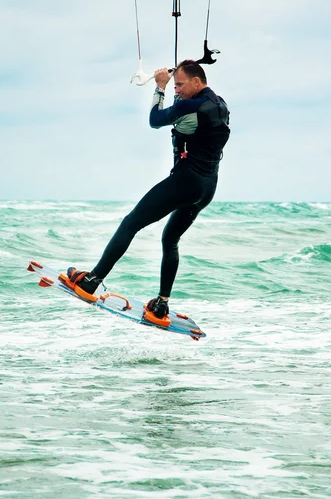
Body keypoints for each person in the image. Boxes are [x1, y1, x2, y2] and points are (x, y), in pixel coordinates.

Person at [64, 60, 230, 322]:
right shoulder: (219, 104)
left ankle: (92, 280)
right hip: (207, 188)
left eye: (180, 85)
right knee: (170, 239)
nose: (177, 90)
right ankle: (162, 303)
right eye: (175, 85)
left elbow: (155, 120)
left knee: (131, 223)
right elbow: (195, 118)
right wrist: (178, 76)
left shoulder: (190, 105)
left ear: (196, 83)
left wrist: (161, 87)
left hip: (186, 181)